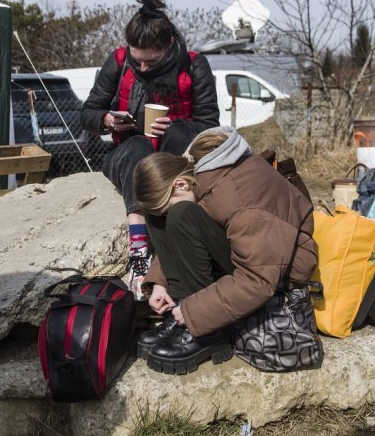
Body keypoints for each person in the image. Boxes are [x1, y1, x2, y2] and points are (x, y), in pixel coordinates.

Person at [132, 126, 317, 374]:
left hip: (279, 272)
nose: (166, 216)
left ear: (181, 184)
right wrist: (160, 283)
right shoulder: (201, 176)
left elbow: (258, 279)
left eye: (168, 203)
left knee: (181, 214)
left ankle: (206, 332)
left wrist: (194, 312)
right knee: (159, 217)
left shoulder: (242, 202)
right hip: (249, 254)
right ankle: (180, 309)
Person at [80, 0, 219, 299]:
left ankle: (179, 239)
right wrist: (107, 119)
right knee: (138, 148)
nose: (141, 68)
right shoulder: (118, 61)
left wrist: (175, 124)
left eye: (150, 61)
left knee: (181, 133)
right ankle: (139, 249)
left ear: (169, 46)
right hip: (128, 153)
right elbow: (87, 114)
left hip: (175, 157)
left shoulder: (194, 66)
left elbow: (210, 126)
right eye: (136, 60)